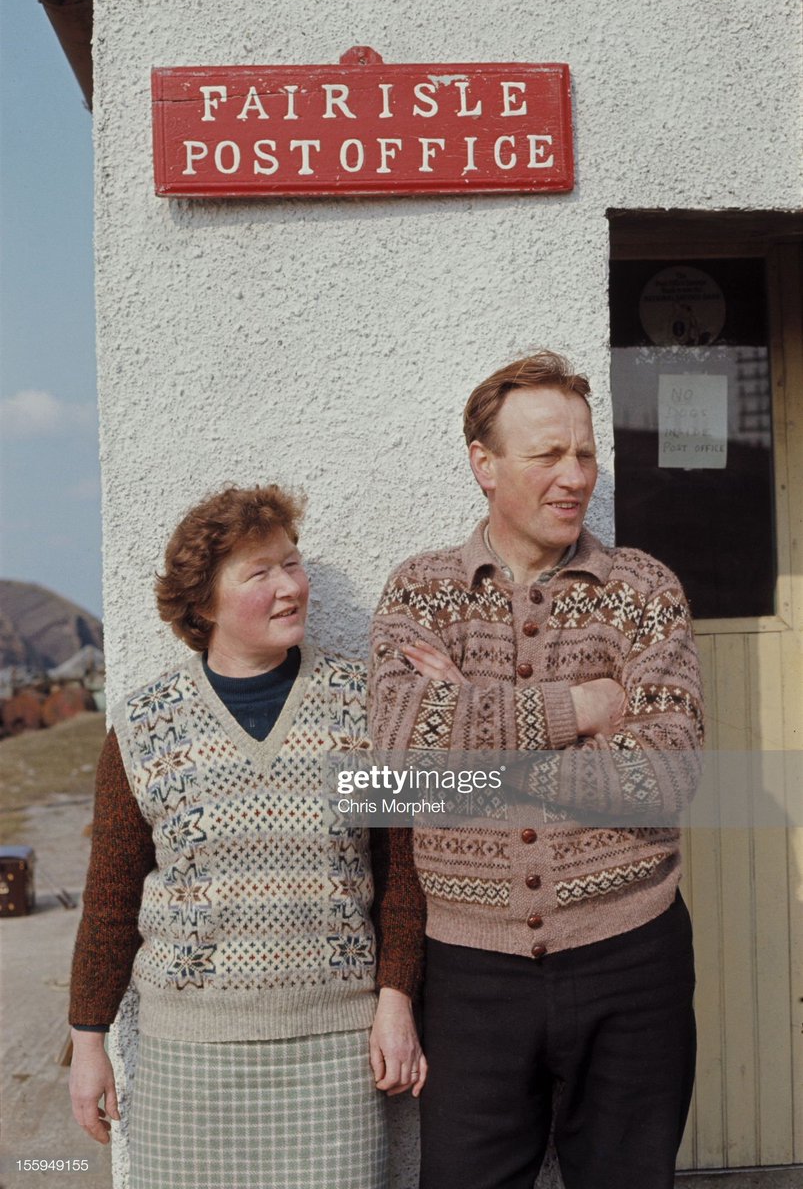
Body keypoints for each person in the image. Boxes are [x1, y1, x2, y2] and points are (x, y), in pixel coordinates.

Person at [368, 352, 704, 1189]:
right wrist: (582, 710)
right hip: (467, 976)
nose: (575, 476)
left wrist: (472, 724)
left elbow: (667, 774)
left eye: (585, 454)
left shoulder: (643, 591)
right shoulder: (422, 593)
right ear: (483, 464)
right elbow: (400, 758)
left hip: (632, 957)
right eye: (547, 455)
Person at [68, 483, 422, 1189]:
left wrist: (396, 1001)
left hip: (335, 1054)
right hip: (187, 1062)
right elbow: (109, 901)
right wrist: (87, 1044)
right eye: (260, 573)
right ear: (203, 604)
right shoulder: (145, 728)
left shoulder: (363, 707)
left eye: (292, 563)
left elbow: (401, 875)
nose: (290, 585)